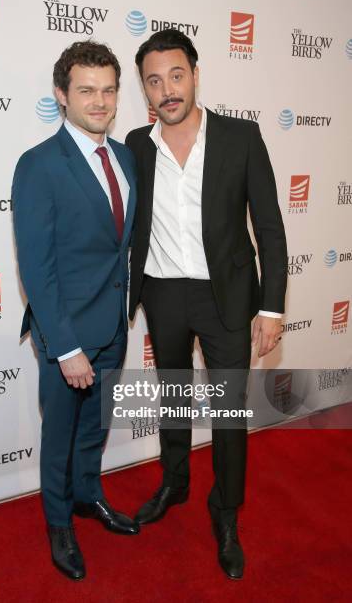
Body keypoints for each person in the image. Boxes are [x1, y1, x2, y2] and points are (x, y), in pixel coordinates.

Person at [126, 29, 288, 580]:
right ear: (145, 92)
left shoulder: (241, 137)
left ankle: (226, 512)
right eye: (154, 80)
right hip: (163, 293)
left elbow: (269, 226)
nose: (167, 89)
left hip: (228, 297)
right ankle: (174, 482)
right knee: (171, 395)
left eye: (176, 75)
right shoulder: (135, 146)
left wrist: (271, 307)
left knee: (228, 414)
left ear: (195, 74)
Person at [12, 41, 138, 581]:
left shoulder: (125, 156)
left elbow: (118, 246)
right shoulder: (39, 165)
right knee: (60, 435)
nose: (100, 100)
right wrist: (65, 347)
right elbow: (36, 268)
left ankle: (90, 497)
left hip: (112, 324)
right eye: (86, 90)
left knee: (94, 429)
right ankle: (59, 523)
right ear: (62, 96)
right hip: (67, 335)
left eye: (109, 89)